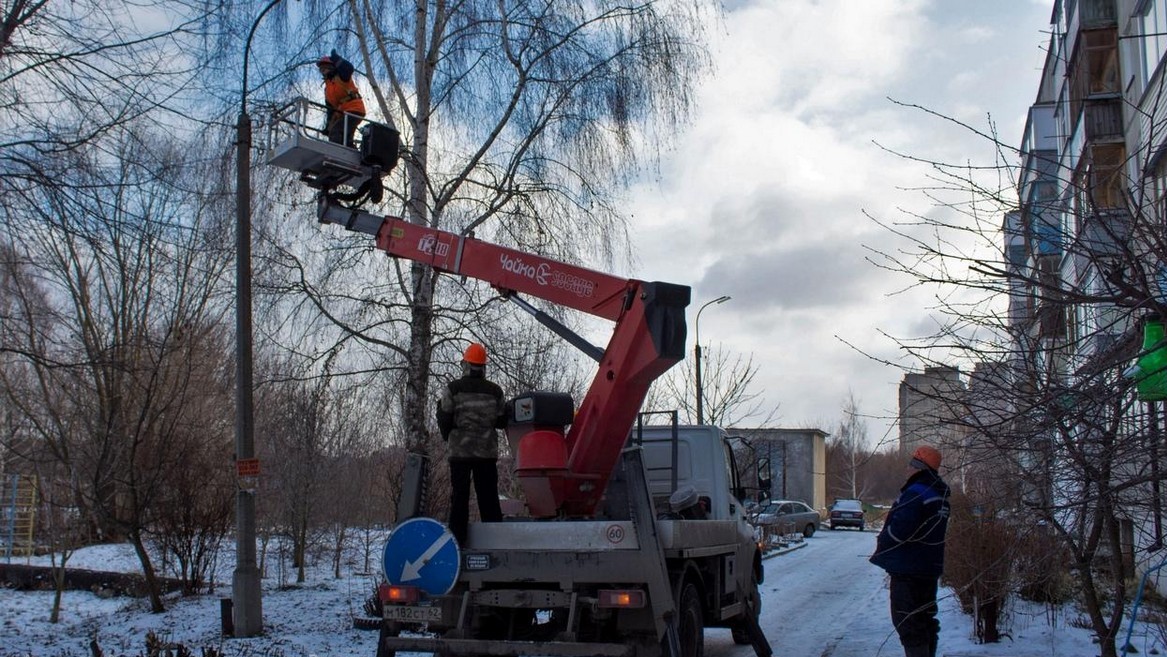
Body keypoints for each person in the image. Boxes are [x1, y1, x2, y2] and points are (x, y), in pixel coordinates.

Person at [869, 444, 951, 657]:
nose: (908, 468)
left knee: (908, 622)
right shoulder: (937, 494)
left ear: (919, 467)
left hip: (908, 570)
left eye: (911, 464)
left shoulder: (916, 493)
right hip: (927, 569)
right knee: (925, 621)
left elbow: (900, 529)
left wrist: (884, 540)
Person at [436, 342, 507, 545]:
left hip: (460, 453)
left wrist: (447, 435)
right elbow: (502, 422)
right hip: (486, 454)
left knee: (459, 498)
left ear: (465, 364)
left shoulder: (453, 389)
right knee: (489, 499)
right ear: (483, 367)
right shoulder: (495, 391)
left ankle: (458, 545)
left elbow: (445, 418)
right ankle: (496, 544)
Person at [316, 50, 366, 146]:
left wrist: (337, 59)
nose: (323, 71)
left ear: (331, 67)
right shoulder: (328, 88)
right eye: (321, 70)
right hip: (342, 113)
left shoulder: (342, 77)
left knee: (336, 132)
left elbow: (349, 68)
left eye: (324, 68)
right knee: (344, 137)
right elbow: (330, 110)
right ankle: (350, 153)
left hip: (354, 109)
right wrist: (328, 127)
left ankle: (336, 154)